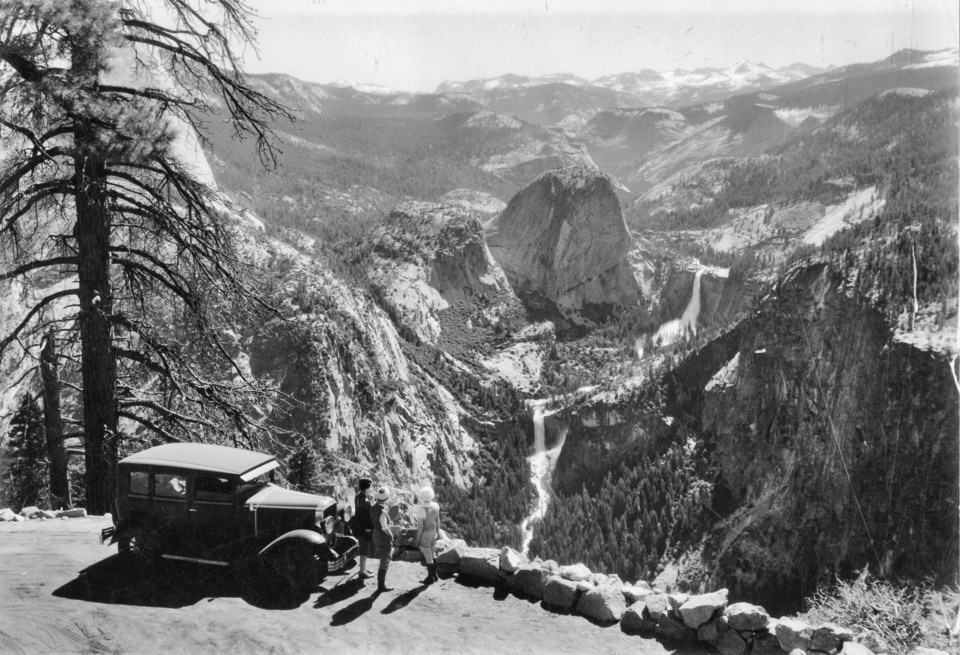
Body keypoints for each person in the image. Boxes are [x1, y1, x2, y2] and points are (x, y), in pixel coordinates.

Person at [370, 486, 395, 593]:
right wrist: (391, 536)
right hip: (382, 536)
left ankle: (381, 584)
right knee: (384, 561)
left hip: (375, 533)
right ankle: (381, 586)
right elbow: (385, 527)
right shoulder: (383, 512)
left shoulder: (373, 506)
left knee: (382, 559)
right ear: (387, 498)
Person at [415, 486, 440, 584]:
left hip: (425, 534)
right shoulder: (436, 506)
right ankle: (435, 574)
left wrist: (417, 539)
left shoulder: (421, 509)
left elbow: (420, 527)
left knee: (428, 555)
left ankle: (430, 578)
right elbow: (437, 521)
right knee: (432, 553)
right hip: (433, 532)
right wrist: (437, 532)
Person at [353, 478, 375, 580]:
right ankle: (362, 572)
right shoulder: (365, 500)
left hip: (359, 526)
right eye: (370, 486)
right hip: (364, 527)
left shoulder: (358, 496)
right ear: (367, 487)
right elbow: (367, 515)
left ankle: (364, 568)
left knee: (363, 548)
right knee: (364, 550)